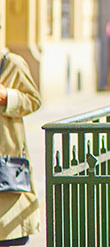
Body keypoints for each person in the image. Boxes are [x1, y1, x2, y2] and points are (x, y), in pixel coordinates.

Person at [0, 48, 41, 244]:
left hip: (5, 159)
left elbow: (34, 100)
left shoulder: (12, 63)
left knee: (9, 233)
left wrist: (8, 96)